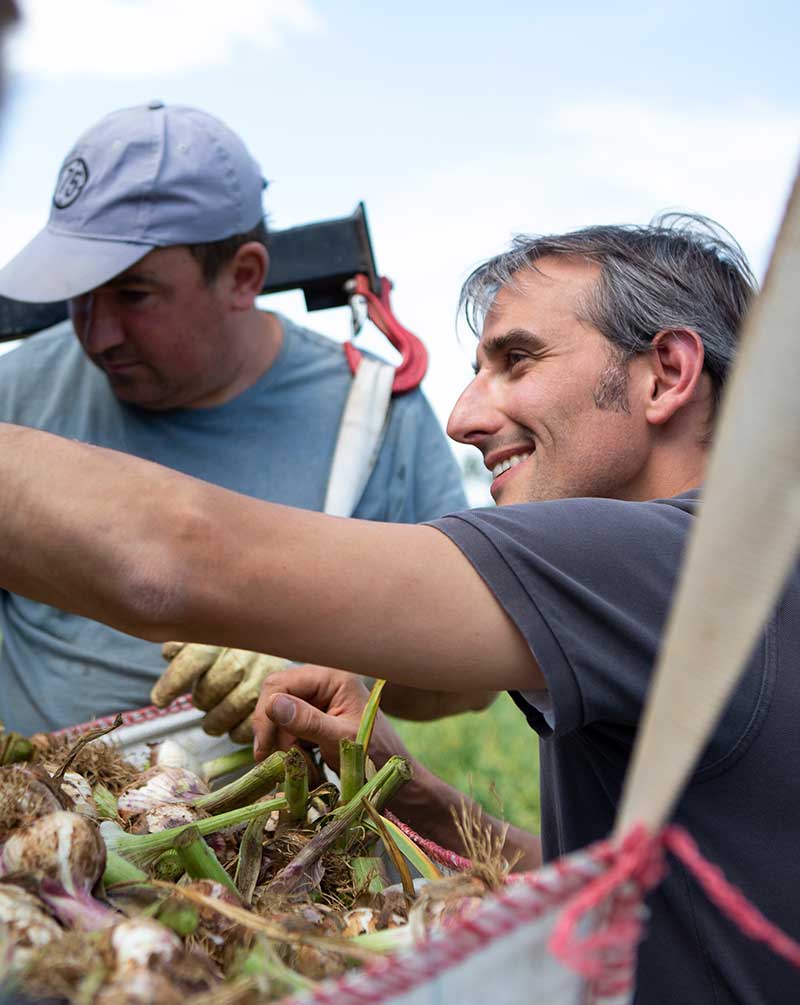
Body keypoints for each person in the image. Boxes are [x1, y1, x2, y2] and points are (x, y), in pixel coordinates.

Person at [0, 214, 796, 1004]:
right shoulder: (742, 574)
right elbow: (616, 887)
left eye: (517, 360)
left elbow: (171, 559)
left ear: (667, 372)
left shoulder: (654, 558)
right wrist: (410, 790)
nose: (463, 418)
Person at [0, 100, 470, 736]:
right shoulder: (17, 390)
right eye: (80, 292)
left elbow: (466, 684)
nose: (98, 333)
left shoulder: (378, 418)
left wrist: (328, 655)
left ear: (243, 275)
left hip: (276, 828)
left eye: (134, 294)